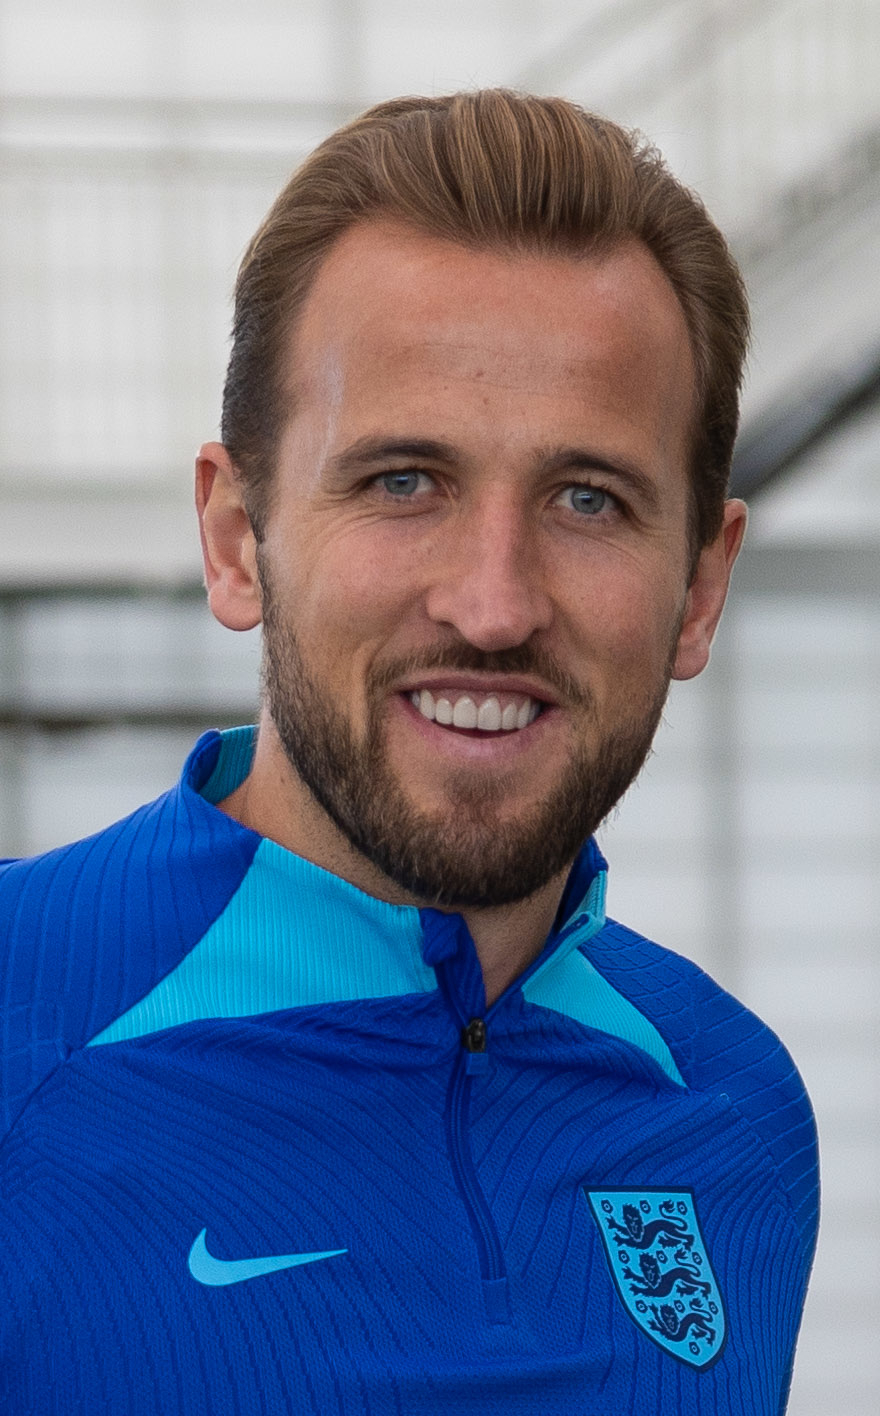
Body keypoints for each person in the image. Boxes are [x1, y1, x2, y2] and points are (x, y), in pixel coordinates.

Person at [0, 90, 817, 1414]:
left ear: (701, 588)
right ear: (236, 538)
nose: (493, 604)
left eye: (588, 498)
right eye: (402, 483)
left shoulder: (734, 1107)